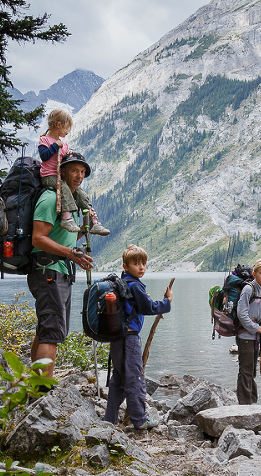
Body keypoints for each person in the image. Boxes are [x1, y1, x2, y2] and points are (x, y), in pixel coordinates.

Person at [29, 151, 95, 382]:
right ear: (63, 171)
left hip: (60, 271)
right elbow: (38, 238)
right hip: (48, 271)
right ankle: (42, 392)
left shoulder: (70, 203)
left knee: (45, 329)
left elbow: (62, 238)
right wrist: (70, 253)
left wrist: (83, 231)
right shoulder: (50, 198)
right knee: (52, 333)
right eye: (74, 170)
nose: (79, 176)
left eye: (82, 172)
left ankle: (34, 385)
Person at [103, 244, 172, 430]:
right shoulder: (135, 286)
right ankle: (139, 419)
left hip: (117, 338)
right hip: (130, 339)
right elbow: (149, 307)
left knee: (118, 379)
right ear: (125, 266)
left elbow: (136, 305)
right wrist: (167, 302)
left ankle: (109, 419)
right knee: (135, 378)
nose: (141, 267)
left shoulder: (122, 283)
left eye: (143, 263)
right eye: (136, 263)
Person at [38, 109, 109, 235]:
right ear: (59, 125)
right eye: (67, 128)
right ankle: (66, 218)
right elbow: (44, 156)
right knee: (63, 188)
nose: (68, 131)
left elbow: (63, 157)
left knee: (80, 193)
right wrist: (55, 146)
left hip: (60, 175)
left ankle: (93, 221)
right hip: (49, 175)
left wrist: (68, 152)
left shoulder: (63, 144)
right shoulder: (45, 140)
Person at [235, 259, 261, 405]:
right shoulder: (249, 289)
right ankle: (244, 404)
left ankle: (251, 401)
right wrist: (256, 328)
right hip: (245, 336)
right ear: (254, 274)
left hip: (254, 338)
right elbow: (242, 314)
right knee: (246, 370)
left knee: (251, 370)